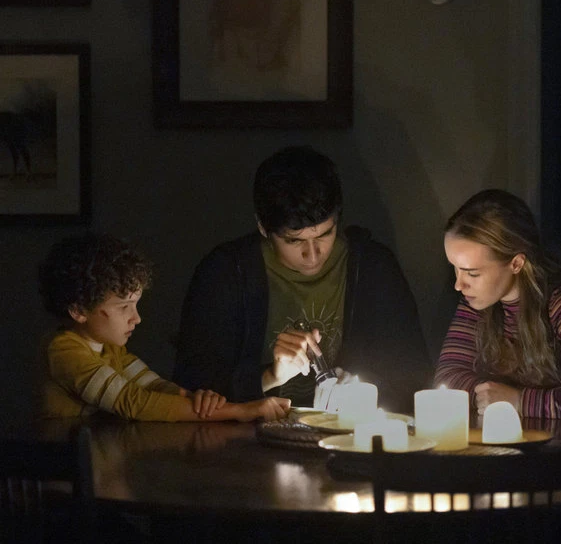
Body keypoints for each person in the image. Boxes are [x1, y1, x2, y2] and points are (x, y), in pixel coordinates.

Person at [173, 146, 430, 413]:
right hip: (246, 440)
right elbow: (191, 384)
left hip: (350, 438)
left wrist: (365, 389)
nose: (312, 255)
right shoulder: (227, 272)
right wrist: (270, 376)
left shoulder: (372, 267)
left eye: (323, 235)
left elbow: (413, 375)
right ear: (263, 227)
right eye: (294, 241)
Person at [39, 232, 291, 422]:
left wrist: (198, 399)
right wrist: (238, 410)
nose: (136, 318)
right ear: (79, 310)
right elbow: (134, 402)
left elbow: (154, 385)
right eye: (124, 307)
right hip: (71, 482)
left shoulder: (111, 350)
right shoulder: (64, 351)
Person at [434, 189, 561, 419]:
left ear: (516, 263)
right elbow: (448, 376)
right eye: (455, 268)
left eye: (472, 273)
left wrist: (519, 401)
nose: (459, 285)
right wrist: (493, 396)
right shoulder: (478, 301)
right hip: (511, 445)